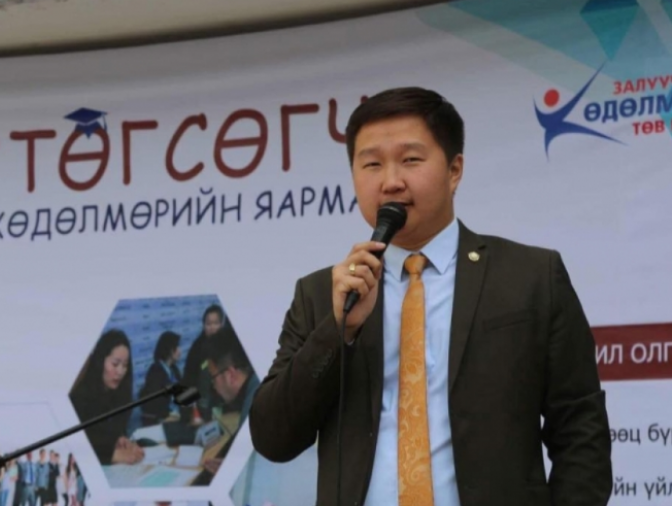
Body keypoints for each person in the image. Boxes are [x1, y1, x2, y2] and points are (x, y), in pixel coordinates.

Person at [248, 87, 612, 506]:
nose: (391, 181)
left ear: (454, 170)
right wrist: (338, 331)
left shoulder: (530, 277)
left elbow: (581, 430)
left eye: (410, 160)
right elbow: (273, 437)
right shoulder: (323, 293)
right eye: (371, 164)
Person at [194, 324, 260, 483]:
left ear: (230, 375)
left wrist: (237, 473)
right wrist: (235, 467)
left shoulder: (252, 411)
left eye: (213, 377)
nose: (213, 386)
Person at [69, 329, 145, 466]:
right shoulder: (81, 396)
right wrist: (112, 455)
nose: (120, 372)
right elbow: (77, 444)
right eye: (115, 364)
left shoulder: (119, 394)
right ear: (100, 361)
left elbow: (104, 435)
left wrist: (118, 440)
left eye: (125, 365)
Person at [139, 330, 184, 425]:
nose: (180, 351)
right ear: (169, 349)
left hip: (176, 417)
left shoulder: (174, 369)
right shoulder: (155, 371)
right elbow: (155, 404)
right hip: (162, 420)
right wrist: (168, 416)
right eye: (177, 347)